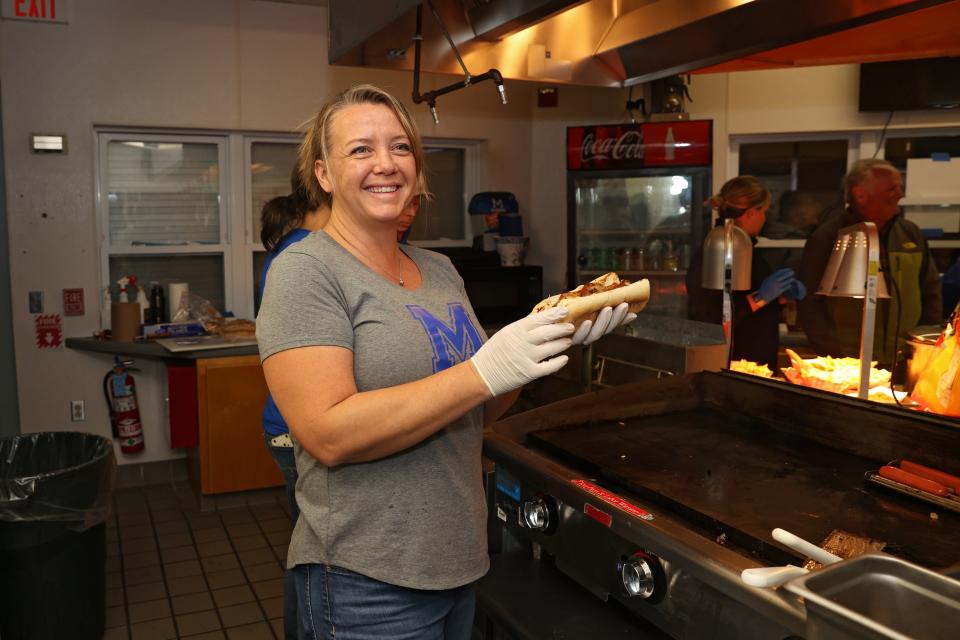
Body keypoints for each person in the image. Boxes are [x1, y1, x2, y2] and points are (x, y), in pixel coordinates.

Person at [255, 84, 635, 640]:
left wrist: (544, 346)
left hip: (457, 562)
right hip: (367, 580)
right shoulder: (306, 271)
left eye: (400, 147)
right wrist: (485, 368)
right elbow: (326, 433)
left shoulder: (438, 270)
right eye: (360, 149)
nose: (385, 164)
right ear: (324, 175)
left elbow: (477, 409)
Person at [258, 169, 329, 640]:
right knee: (314, 552)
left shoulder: (297, 250)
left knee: (307, 544)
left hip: (285, 424)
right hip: (296, 428)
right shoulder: (303, 258)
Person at [798, 159, 942, 364]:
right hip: (849, 361)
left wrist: (923, 346)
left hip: (905, 359)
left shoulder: (911, 234)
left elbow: (931, 293)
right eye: (892, 189)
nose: (901, 194)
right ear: (860, 194)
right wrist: (834, 355)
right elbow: (809, 304)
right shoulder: (830, 237)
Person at [686, 176, 807, 369]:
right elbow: (708, 317)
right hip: (734, 364)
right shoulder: (717, 248)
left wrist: (780, 298)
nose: (765, 219)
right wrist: (760, 297)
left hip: (757, 362)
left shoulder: (746, 247)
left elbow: (753, 305)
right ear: (751, 213)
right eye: (764, 212)